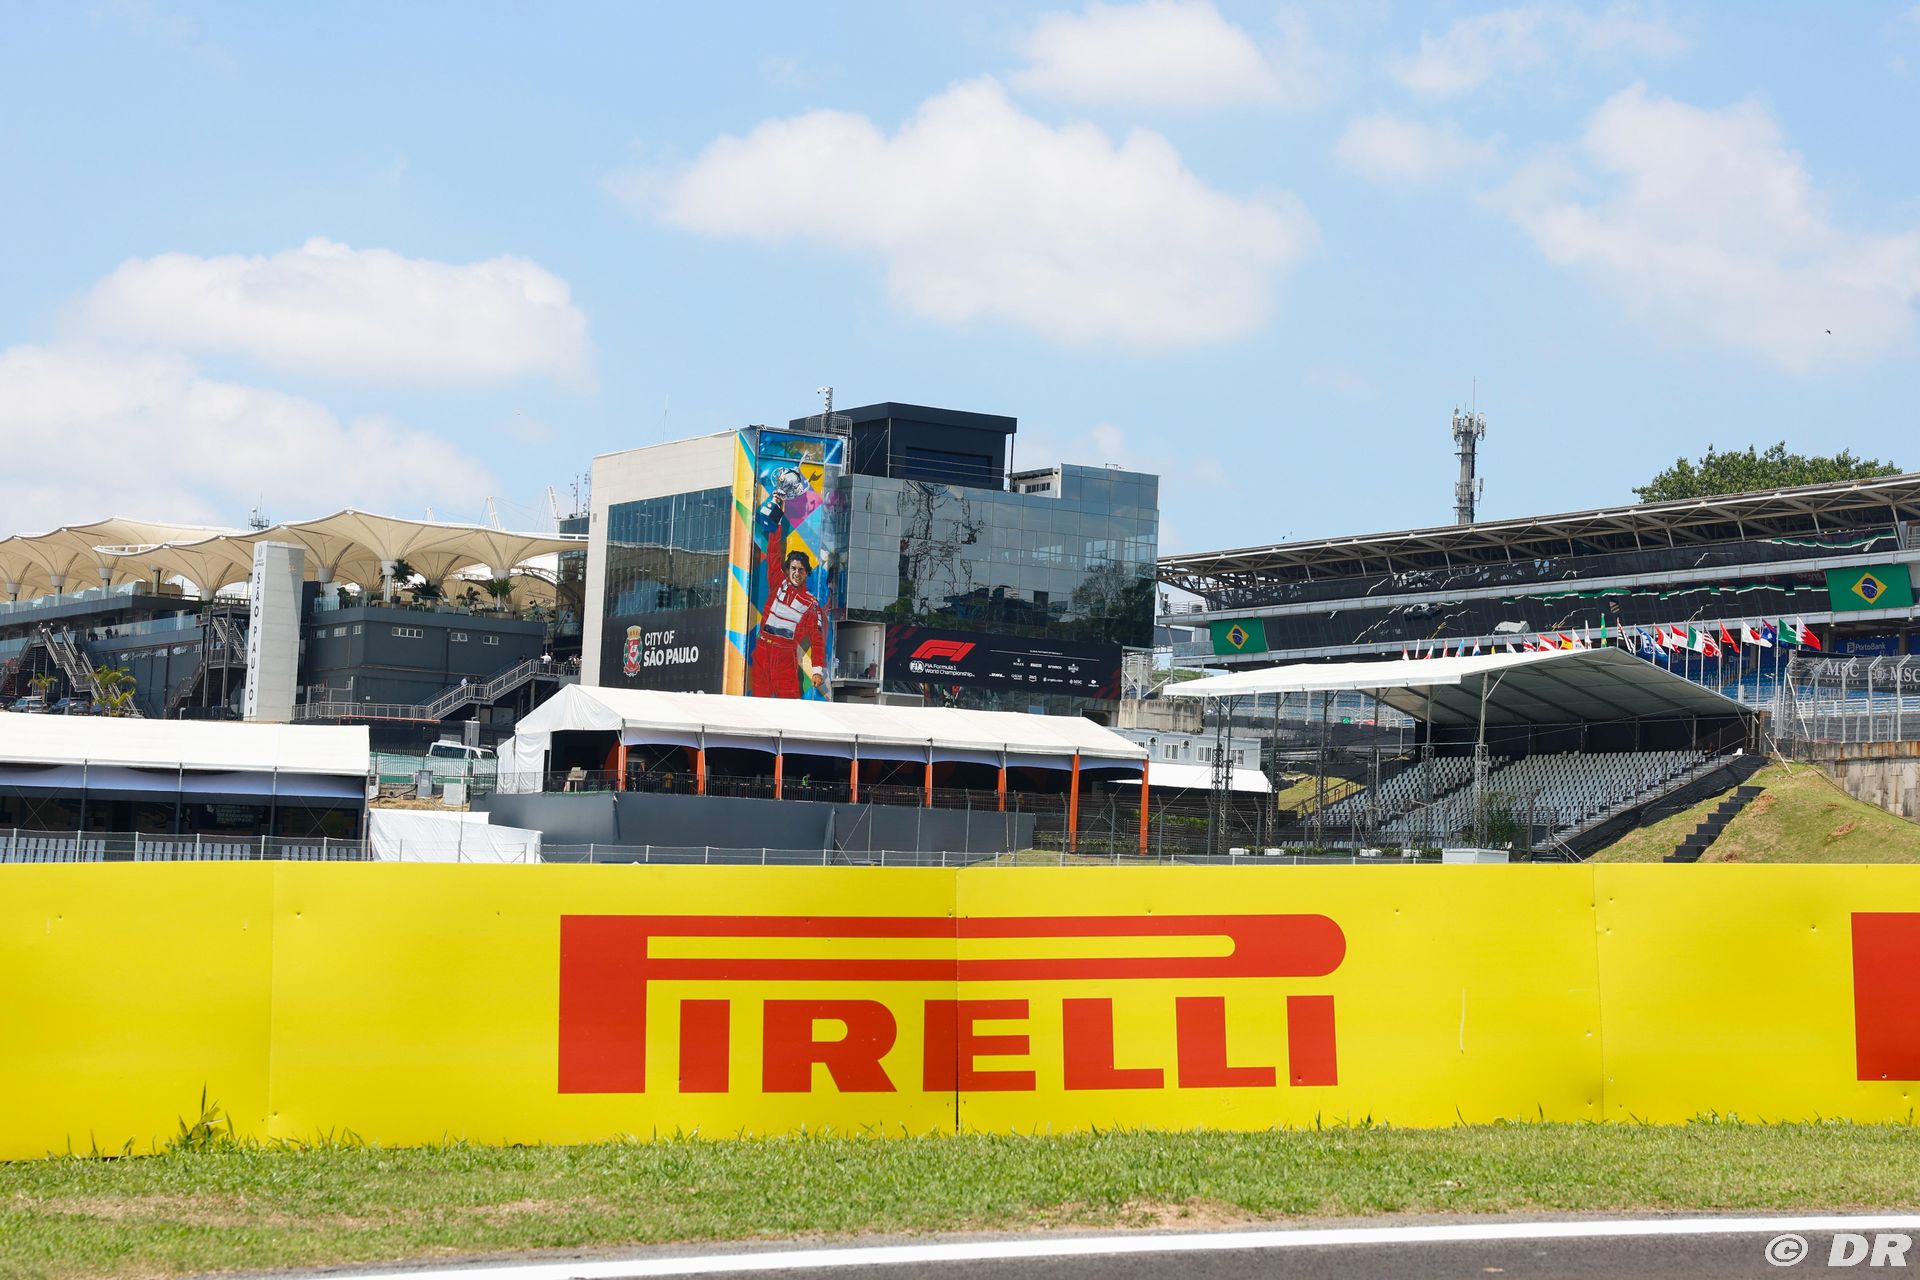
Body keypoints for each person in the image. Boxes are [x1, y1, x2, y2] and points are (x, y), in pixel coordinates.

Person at [751, 548, 826, 699]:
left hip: (785, 657)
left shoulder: (811, 604)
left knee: (789, 704)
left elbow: (817, 640)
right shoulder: (777, 583)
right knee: (758, 702)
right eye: (793, 568)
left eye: (801, 570)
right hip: (762, 651)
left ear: (806, 573)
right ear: (787, 570)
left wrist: (817, 671)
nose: (797, 573)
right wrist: (775, 532)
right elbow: (773, 555)